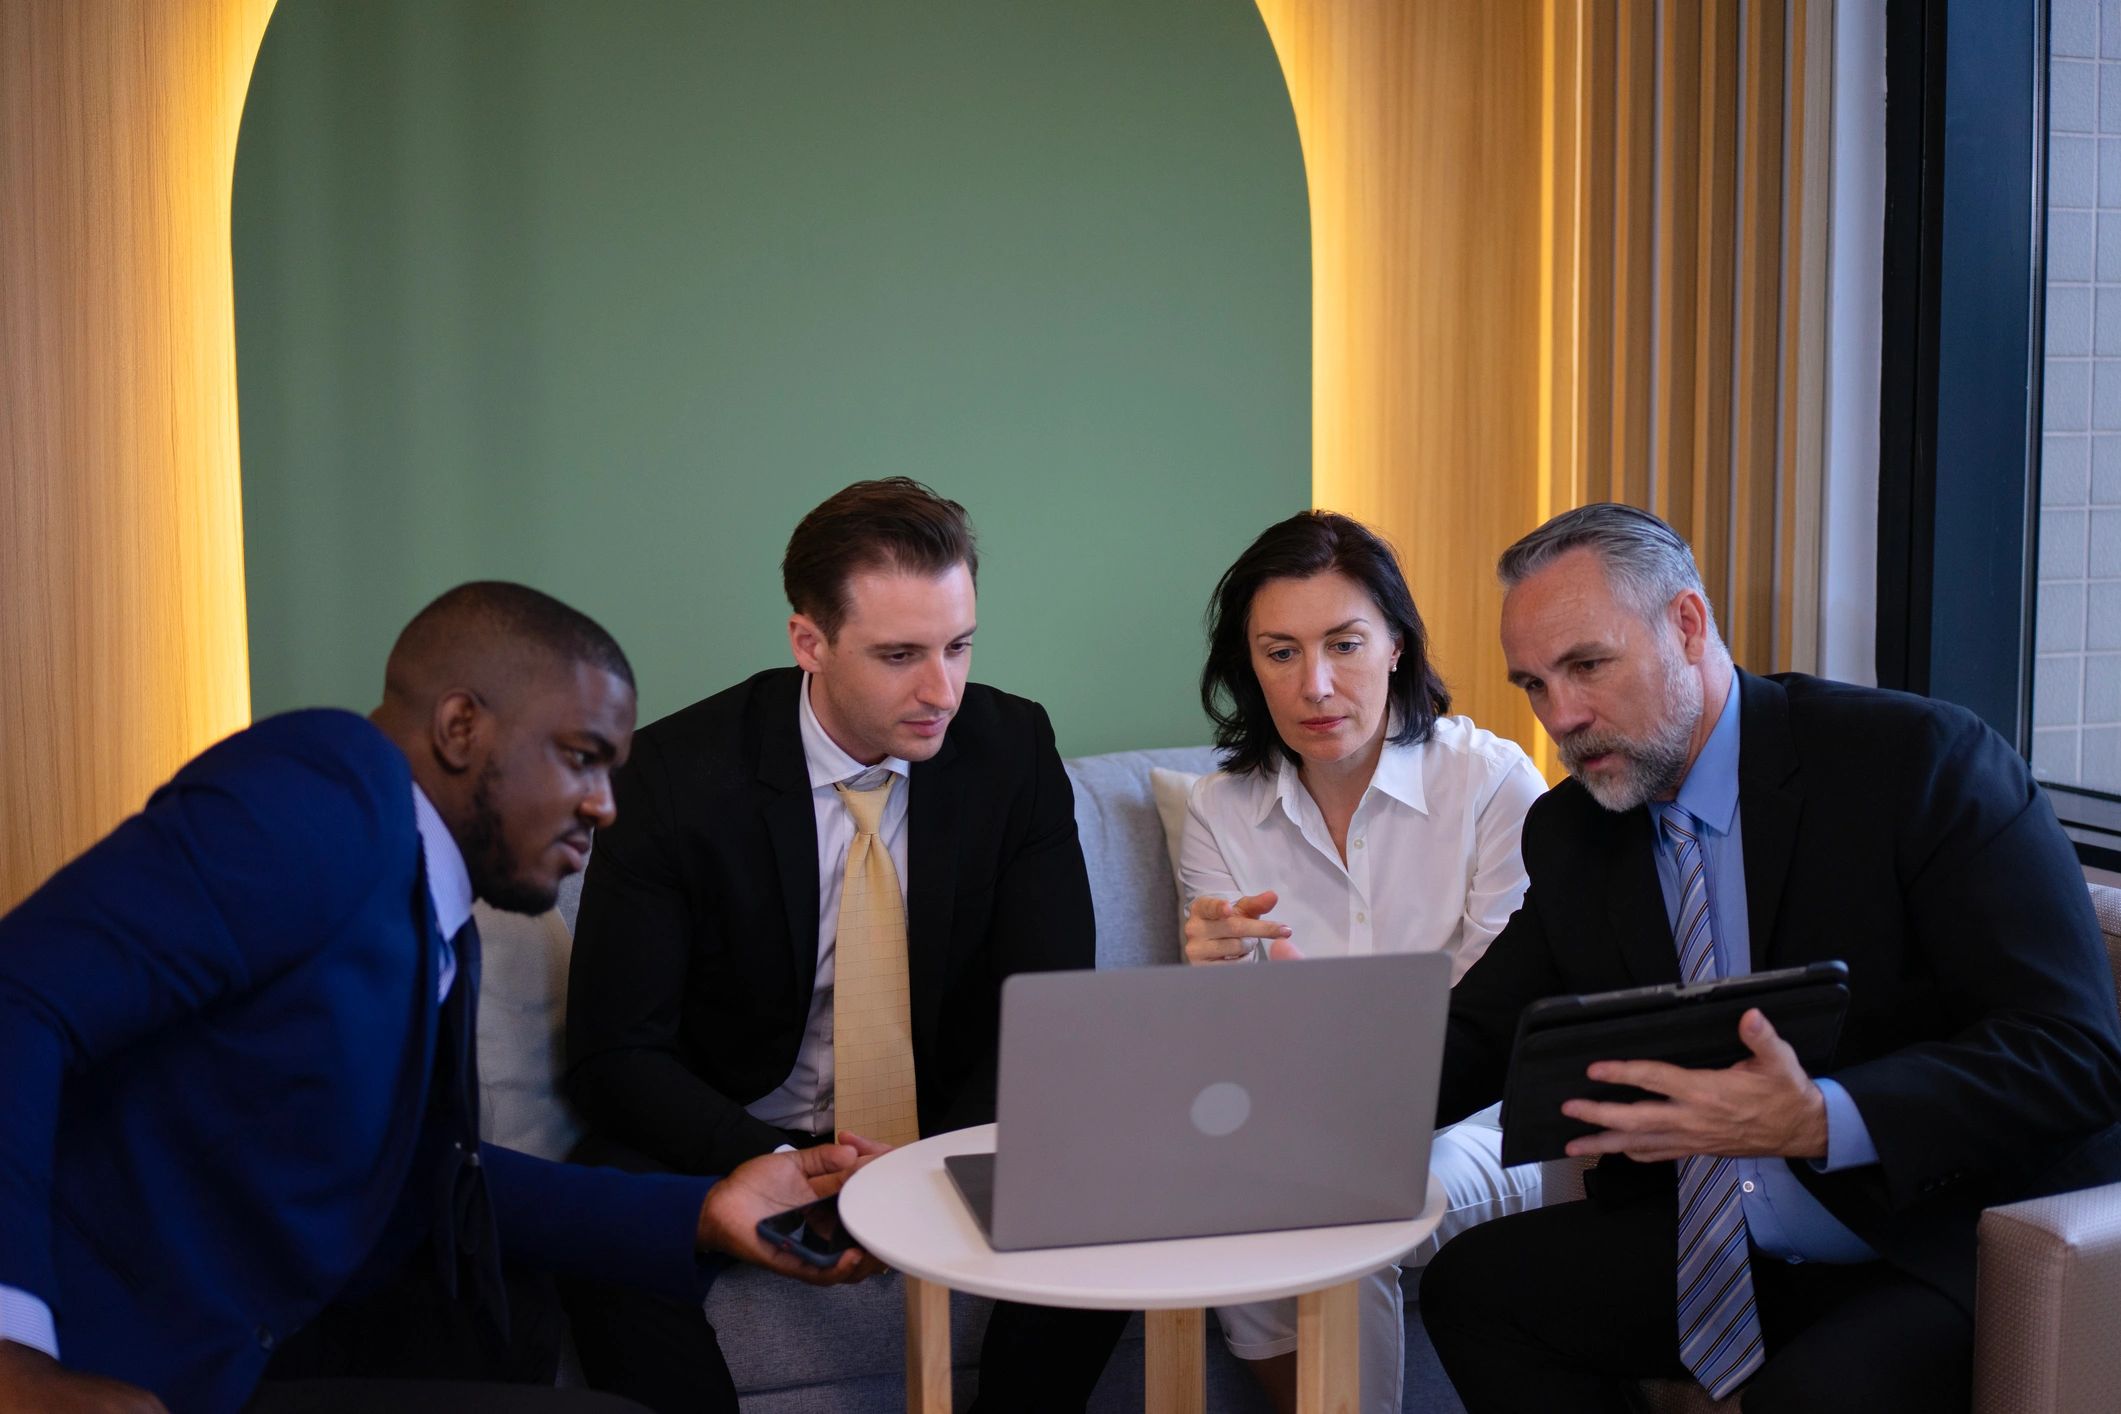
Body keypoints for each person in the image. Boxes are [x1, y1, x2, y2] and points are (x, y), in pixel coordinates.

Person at [0, 582, 882, 1414]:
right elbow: (21, 999)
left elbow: (430, 1180)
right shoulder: (321, 792)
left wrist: (702, 1209)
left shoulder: (438, 911)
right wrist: (15, 1358)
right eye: (583, 759)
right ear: (462, 727)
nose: (605, 807)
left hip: (259, 1359)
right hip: (115, 1365)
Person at [1418, 504, 2121, 1413]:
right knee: (1474, 1289)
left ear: (1686, 624)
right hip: (1724, 1233)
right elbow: (1476, 1033)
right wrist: (1294, 1122)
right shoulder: (1574, 830)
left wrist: (1825, 1118)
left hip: (1930, 1230)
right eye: (1533, 685)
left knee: (1817, 1393)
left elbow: (2073, 1051)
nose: (1565, 716)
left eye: (1587, 665)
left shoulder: (1916, 761)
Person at [561, 478, 1124, 1413]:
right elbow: (615, 1055)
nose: (941, 690)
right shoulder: (669, 778)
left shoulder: (1011, 746)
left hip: (941, 1122)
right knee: (604, 1220)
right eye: (899, 655)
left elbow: (1049, 1008)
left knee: (1110, 1183)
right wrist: (768, 1158)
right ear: (808, 642)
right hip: (733, 1122)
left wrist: (929, 1162)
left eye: (959, 646)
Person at [1173, 510, 1546, 1414]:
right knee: (1218, 1201)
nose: (1315, 685)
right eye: (1279, 653)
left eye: (1343, 644)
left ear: (1396, 648)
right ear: (1246, 665)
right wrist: (1213, 982)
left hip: (1489, 1120)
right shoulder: (1220, 811)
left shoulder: (1493, 787)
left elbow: (1496, 1025)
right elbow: (1233, 1053)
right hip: (1310, 1116)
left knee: (1343, 1199)